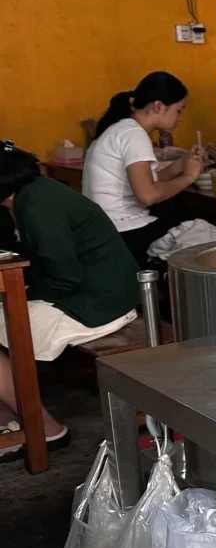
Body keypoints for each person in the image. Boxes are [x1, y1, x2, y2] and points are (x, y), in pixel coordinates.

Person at [0, 143, 139, 446]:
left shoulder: (37, 206)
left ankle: (43, 428)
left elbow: (65, 278)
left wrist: (22, 293)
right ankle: (13, 421)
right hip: (93, 291)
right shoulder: (32, 193)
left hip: (99, 302)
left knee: (7, 319)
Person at [83, 72, 203, 266]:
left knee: (183, 215)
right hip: (124, 231)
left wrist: (180, 165)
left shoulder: (122, 129)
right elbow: (148, 195)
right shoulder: (133, 135)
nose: (180, 118)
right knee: (201, 230)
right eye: (179, 110)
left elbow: (145, 180)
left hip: (108, 227)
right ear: (158, 106)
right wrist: (188, 177)